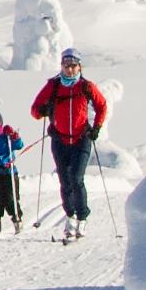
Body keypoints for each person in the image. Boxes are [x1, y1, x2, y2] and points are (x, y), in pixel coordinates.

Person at [31, 50, 111, 242]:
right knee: (65, 181)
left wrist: (97, 128)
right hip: (59, 140)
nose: (70, 69)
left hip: (81, 139)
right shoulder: (53, 86)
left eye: (73, 65)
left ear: (79, 67)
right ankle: (71, 216)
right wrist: (43, 110)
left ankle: (82, 218)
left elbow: (102, 106)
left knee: (76, 178)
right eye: (66, 66)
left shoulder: (86, 86)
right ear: (61, 67)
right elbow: (34, 110)